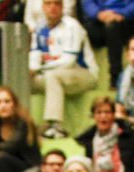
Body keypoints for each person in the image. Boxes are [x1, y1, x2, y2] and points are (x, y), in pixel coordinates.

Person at [31, 0, 99, 140]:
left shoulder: (72, 26)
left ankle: (55, 126)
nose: (53, 7)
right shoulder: (39, 27)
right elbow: (35, 54)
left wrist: (40, 69)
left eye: (57, 4)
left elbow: (69, 61)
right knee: (21, 81)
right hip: (53, 74)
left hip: (84, 74)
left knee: (52, 76)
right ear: (43, 7)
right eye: (48, 4)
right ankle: (25, 126)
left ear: (62, 7)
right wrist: (31, 69)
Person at [75, 96, 133, 172]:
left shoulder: (126, 136)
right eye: (99, 112)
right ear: (94, 116)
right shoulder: (89, 140)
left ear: (113, 115)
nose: (103, 116)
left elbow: (128, 171)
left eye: (107, 112)